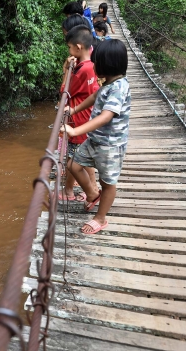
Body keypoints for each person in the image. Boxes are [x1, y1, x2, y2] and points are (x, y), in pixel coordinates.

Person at [60, 39, 130, 234]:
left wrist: (75, 131)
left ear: (107, 65)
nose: (94, 66)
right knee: (72, 164)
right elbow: (94, 97)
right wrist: (73, 110)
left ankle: (100, 218)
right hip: (94, 140)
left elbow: (106, 116)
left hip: (110, 145)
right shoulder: (108, 83)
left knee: (108, 183)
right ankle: (92, 194)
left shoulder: (118, 88)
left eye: (96, 62)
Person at [59, 25, 100, 202]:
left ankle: (90, 191)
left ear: (78, 47)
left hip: (78, 121)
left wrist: (66, 69)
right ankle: (81, 189)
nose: (69, 51)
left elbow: (64, 91)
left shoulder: (81, 70)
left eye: (69, 47)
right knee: (77, 158)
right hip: (87, 117)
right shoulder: (91, 65)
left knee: (75, 159)